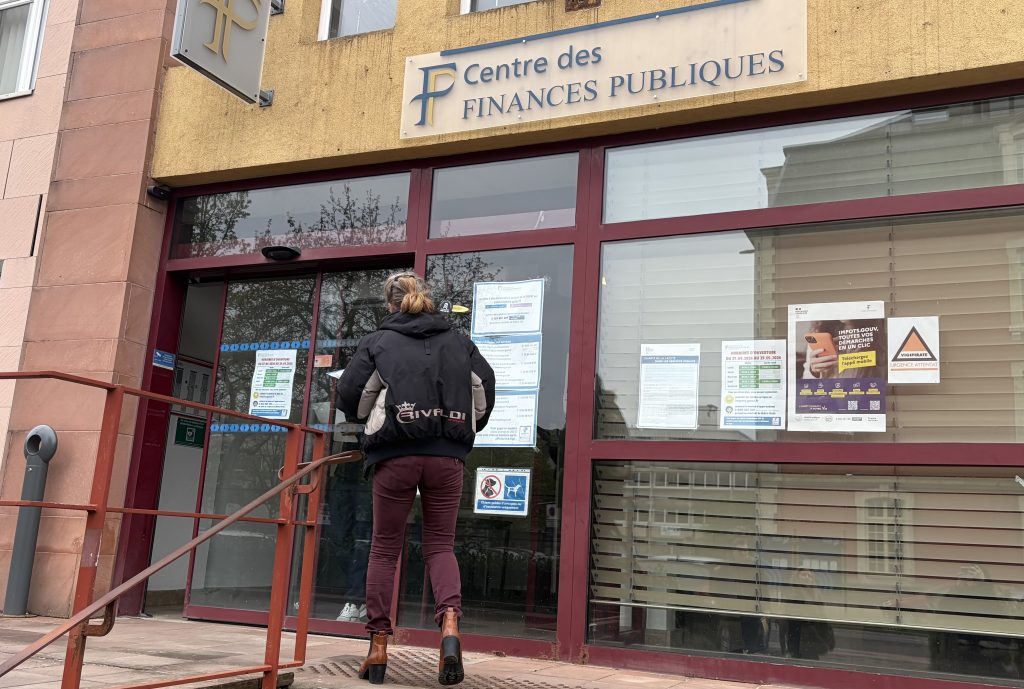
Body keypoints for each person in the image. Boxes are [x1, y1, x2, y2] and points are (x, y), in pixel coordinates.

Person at [336, 272, 495, 686]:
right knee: (441, 546)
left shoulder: (378, 341)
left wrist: (370, 412)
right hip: (447, 456)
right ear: (428, 300)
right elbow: (485, 388)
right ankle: (450, 630)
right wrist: (467, 426)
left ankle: (378, 646)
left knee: (385, 550)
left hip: (395, 454)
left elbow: (350, 397)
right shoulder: (459, 340)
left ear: (390, 304)